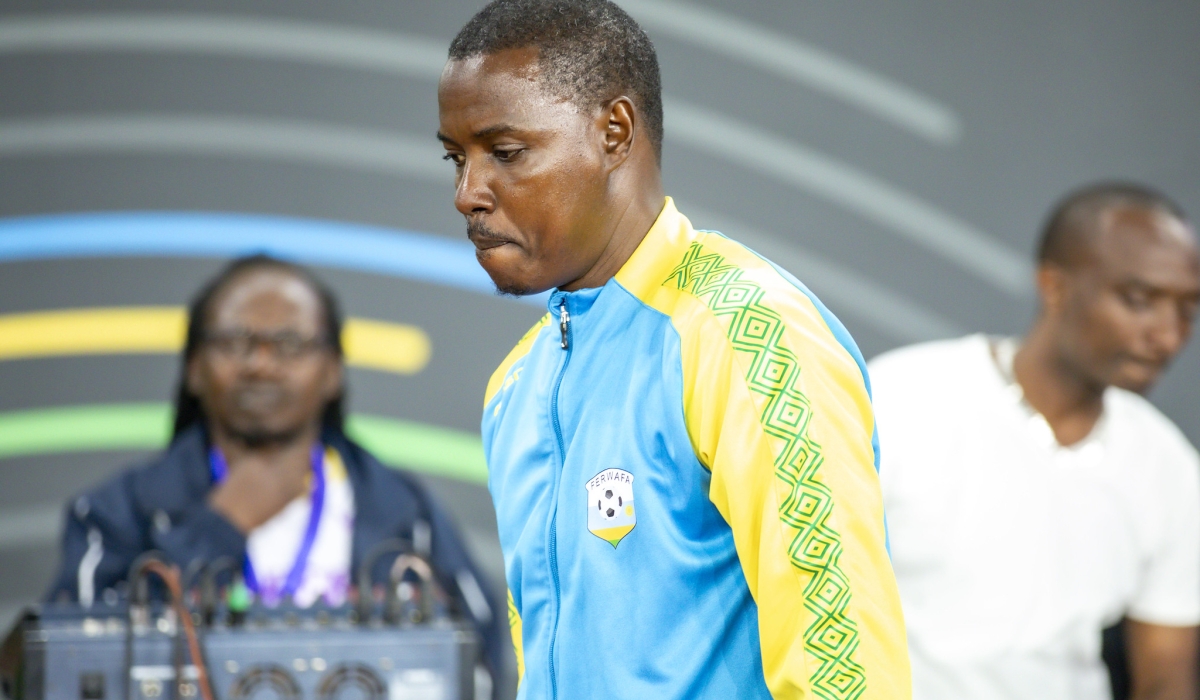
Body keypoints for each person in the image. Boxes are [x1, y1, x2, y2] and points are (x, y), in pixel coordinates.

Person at [436, 1, 909, 698]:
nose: (467, 193)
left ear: (615, 132)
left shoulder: (748, 331)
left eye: (505, 152)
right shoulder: (516, 386)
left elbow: (845, 673)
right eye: (456, 158)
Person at [43, 255, 507, 685]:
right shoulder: (112, 514)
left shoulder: (407, 513)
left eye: (289, 343)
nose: (261, 365)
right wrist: (220, 526)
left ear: (333, 371)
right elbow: (72, 669)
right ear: (193, 368)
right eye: (235, 342)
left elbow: (481, 666)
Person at [870, 183, 1200, 699]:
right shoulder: (901, 399)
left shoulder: (1169, 467)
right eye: (1139, 301)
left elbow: (1167, 675)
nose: (1169, 335)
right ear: (1055, 286)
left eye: (1187, 310)